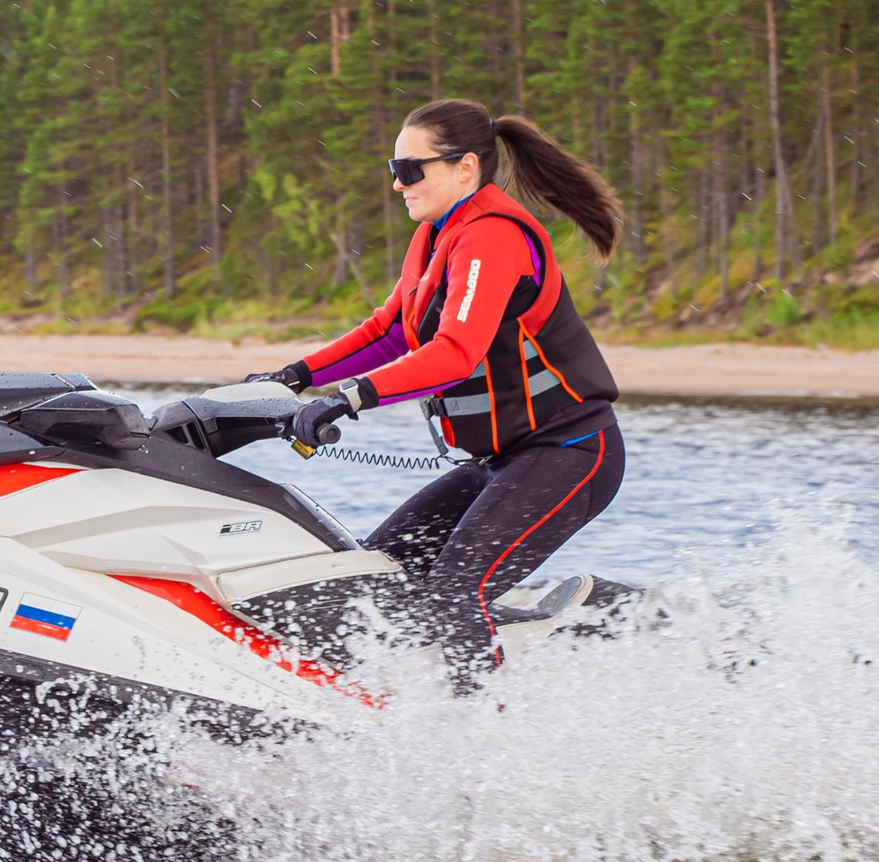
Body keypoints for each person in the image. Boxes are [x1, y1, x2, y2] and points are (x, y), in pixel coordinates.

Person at [253, 98, 626, 676]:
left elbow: (455, 352)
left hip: (570, 453)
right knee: (370, 578)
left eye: (410, 170)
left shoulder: (493, 235)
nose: (399, 185)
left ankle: (477, 734)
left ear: (465, 168)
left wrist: (349, 396)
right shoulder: (435, 236)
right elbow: (389, 333)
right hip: (501, 460)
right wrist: (294, 378)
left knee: (455, 591)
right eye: (392, 169)